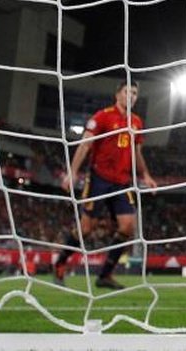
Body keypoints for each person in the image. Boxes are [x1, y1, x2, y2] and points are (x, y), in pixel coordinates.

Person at [53, 81, 157, 289]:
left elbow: (137, 153)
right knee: (86, 229)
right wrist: (73, 172)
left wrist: (145, 174)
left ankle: (104, 276)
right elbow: (85, 145)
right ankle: (60, 263)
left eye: (135, 93)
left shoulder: (136, 121)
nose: (132, 96)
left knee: (128, 227)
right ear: (117, 94)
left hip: (122, 182)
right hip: (99, 179)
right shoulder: (102, 116)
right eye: (128, 91)